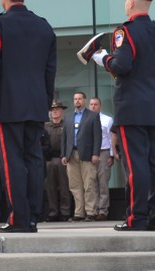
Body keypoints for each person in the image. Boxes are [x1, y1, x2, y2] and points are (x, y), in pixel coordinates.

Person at [89, 0, 155, 231]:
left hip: (132, 108)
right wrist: (154, 90)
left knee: (136, 164)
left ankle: (136, 218)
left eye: (125, 0)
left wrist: (102, 58)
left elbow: (121, 66)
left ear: (130, 2)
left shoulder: (125, 32)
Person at [0, 0, 57, 233]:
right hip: (35, 106)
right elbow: (50, 71)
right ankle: (33, 216)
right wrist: (45, 103)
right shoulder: (44, 26)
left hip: (8, 106)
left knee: (12, 161)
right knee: (34, 160)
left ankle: (18, 218)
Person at [61, 92, 101, 222]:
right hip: (71, 154)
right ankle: (79, 213)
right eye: (75, 99)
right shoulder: (68, 117)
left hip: (88, 154)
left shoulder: (93, 116)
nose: (77, 101)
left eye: (79, 99)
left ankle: (91, 212)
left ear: (85, 100)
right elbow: (64, 138)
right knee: (75, 186)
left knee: (89, 184)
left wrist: (96, 153)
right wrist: (63, 154)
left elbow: (97, 136)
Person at [44, 99, 71, 222]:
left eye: (57, 109)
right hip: (49, 160)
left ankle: (65, 212)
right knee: (50, 187)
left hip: (62, 160)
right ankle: (53, 212)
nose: (54, 112)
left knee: (65, 186)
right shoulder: (45, 126)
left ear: (62, 111)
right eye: (52, 110)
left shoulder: (66, 126)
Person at [88, 97, 114, 221]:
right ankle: (92, 210)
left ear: (100, 106)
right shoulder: (86, 119)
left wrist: (112, 155)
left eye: (96, 104)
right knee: (91, 183)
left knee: (103, 183)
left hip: (103, 152)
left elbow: (111, 138)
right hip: (89, 153)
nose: (93, 107)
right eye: (91, 104)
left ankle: (103, 211)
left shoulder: (107, 120)